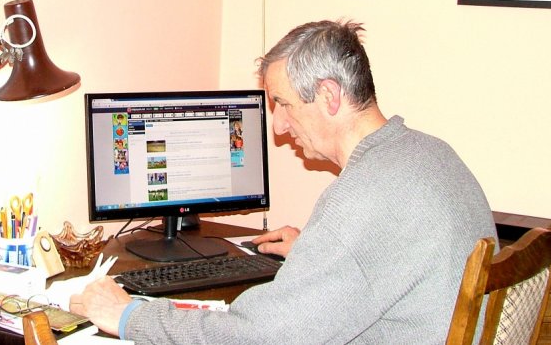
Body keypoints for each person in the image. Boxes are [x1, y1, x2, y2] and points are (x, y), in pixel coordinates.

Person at [69, 20, 497, 344]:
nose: (277, 126)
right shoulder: (429, 154)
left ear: (329, 96)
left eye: (283, 103)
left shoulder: (364, 197)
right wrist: (318, 252)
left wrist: (129, 317)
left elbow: (260, 337)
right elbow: (381, 256)